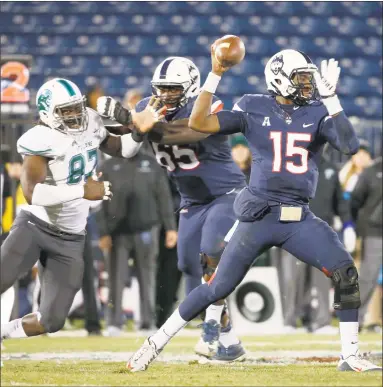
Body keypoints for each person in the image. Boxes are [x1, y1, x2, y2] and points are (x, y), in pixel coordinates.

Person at [126, 46, 381, 372]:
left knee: (346, 273)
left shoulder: (318, 110)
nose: (308, 84)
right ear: (279, 79)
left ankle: (349, 356)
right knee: (217, 286)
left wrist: (332, 100)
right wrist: (215, 73)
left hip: (297, 217)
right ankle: (154, 344)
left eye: (308, 77)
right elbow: (200, 122)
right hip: (258, 214)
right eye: (300, 78)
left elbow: (349, 145)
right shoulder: (254, 106)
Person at [98, 56, 247, 361]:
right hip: (191, 200)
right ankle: (231, 340)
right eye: (161, 88)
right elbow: (127, 149)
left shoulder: (206, 106)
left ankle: (210, 331)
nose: (165, 95)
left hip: (225, 194)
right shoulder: (146, 109)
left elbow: (190, 132)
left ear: (190, 88)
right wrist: (99, 133)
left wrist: (133, 121)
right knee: (188, 266)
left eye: (172, 89)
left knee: (210, 255)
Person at [0, 78, 165, 343]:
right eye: (65, 111)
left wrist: (138, 132)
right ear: (47, 113)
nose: (75, 115)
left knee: (51, 321)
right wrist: (82, 191)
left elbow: (122, 149)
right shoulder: (40, 139)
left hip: (71, 236)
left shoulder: (90, 120)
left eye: (76, 107)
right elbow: (34, 194)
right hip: (35, 226)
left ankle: (3, 332)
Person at [273, 153, 357, 334]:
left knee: (322, 279)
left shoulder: (330, 169)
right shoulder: (291, 165)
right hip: (295, 230)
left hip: (322, 231)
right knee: (294, 279)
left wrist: (348, 225)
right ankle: (290, 320)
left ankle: (322, 322)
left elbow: (340, 202)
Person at [96, 147, 177, 333]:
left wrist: (171, 227)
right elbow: (98, 201)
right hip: (117, 232)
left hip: (147, 228)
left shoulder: (151, 163)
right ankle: (114, 322)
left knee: (147, 277)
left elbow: (163, 196)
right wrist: (103, 232)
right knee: (116, 278)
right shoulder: (107, 166)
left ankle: (147, 322)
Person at [351, 156, 382, 332]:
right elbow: (355, 200)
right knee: (368, 277)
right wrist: (361, 225)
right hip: (375, 231)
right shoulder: (372, 172)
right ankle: (355, 320)